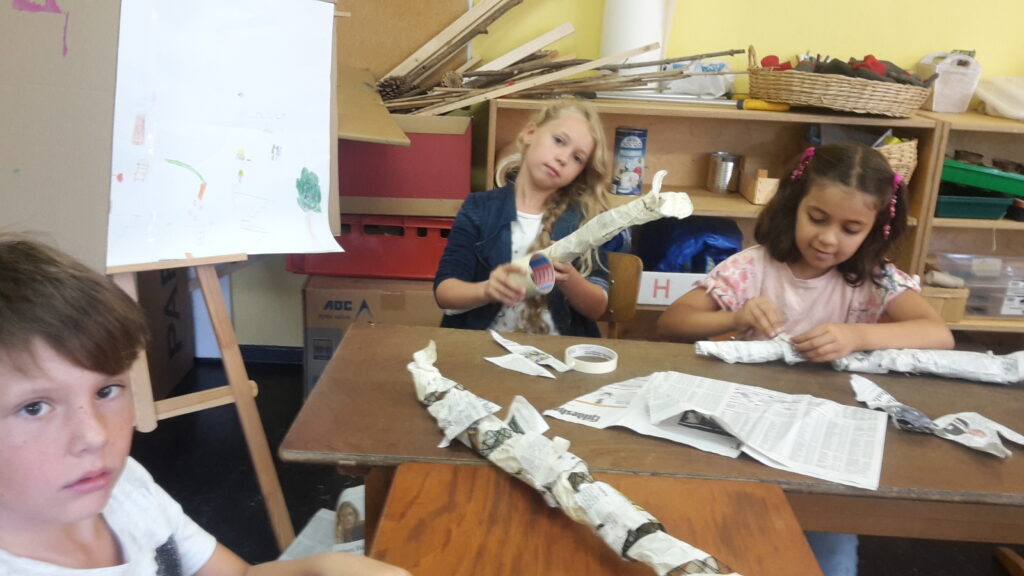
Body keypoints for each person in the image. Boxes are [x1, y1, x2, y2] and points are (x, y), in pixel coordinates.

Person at [0, 236, 409, 576]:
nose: (95, 436)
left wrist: (320, 569)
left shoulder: (125, 487)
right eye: (34, 408)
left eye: (107, 391)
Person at [657, 142, 954, 360]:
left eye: (851, 230)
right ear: (792, 207)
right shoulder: (750, 268)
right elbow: (671, 323)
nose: (827, 239)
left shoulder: (876, 277)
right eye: (817, 219)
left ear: (873, 230)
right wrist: (734, 319)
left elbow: (939, 334)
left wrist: (856, 336)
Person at [434, 98, 612, 336]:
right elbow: (444, 292)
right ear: (530, 133)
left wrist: (569, 280)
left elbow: (597, 308)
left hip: (558, 352)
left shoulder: (585, 220)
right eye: (559, 141)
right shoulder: (478, 208)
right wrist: (487, 290)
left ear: (580, 172)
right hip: (486, 347)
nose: (563, 158)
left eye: (577, 158)